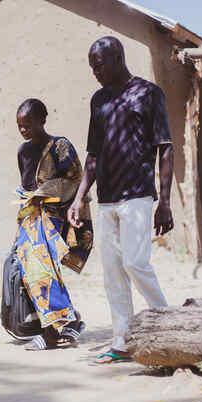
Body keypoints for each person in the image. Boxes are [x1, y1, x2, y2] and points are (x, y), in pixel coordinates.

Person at [67, 36, 174, 364]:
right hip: (107, 199)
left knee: (135, 263)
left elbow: (165, 147)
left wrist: (165, 201)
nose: (94, 72)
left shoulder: (148, 93)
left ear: (116, 58)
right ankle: (122, 341)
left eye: (98, 65)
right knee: (112, 272)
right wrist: (79, 197)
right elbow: (94, 155)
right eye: (91, 66)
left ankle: (170, 328)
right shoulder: (98, 100)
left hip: (138, 196)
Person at [14, 98, 94, 351]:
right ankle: (67, 320)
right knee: (31, 270)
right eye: (19, 125)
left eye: (28, 124)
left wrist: (45, 192)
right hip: (32, 218)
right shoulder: (23, 151)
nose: (23, 130)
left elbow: (75, 181)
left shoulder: (61, 146)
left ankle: (52, 331)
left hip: (59, 217)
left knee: (42, 269)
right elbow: (27, 186)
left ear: (42, 120)